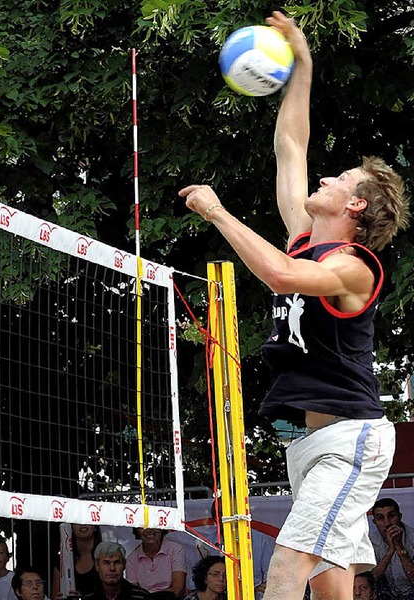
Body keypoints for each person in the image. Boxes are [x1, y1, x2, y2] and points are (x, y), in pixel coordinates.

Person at [179, 10, 409, 600]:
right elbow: (291, 142)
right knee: (332, 588)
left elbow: (281, 277)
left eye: (339, 179)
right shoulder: (305, 235)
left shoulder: (352, 268)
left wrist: (218, 212)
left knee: (284, 568)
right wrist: (301, 63)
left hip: (351, 440)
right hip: (309, 445)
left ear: (355, 208)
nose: (325, 177)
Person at [370, 497, 414, 599]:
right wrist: (390, 551)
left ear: (400, 516)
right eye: (380, 518)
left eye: (392, 516)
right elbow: (370, 581)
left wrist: (399, 546)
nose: (387, 523)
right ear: (374, 522)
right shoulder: (369, 542)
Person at [125, 528, 187, 599]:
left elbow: (178, 590)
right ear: (137, 531)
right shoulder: (132, 558)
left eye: (153, 525)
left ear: (162, 528)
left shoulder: (176, 549)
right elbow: (134, 594)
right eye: (142, 526)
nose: (149, 530)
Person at [82, 541, 150, 600]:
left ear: (124, 564)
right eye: (106, 563)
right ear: (97, 566)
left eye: (117, 562)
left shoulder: (142, 597)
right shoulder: (88, 597)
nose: (112, 568)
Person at [52, 524, 103, 599]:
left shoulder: (103, 557)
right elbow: (55, 595)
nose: (83, 524)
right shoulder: (62, 559)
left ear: (95, 527)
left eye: (87, 520)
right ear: (71, 528)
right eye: (78, 521)